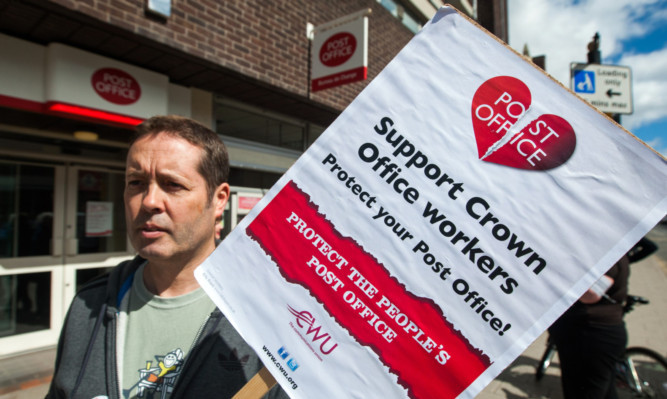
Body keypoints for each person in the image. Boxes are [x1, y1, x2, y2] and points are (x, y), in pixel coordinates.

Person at [48, 115, 286, 399]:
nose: (148, 201)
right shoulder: (89, 305)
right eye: (135, 182)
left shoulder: (268, 315)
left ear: (219, 199)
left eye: (172, 184)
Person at [548, 237, 657, 399]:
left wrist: (556, 274)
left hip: (590, 335)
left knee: (585, 391)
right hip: (595, 333)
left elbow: (591, 295)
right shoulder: (615, 251)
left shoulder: (608, 255)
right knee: (603, 390)